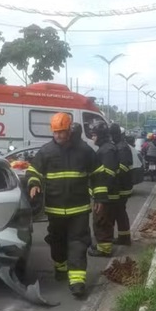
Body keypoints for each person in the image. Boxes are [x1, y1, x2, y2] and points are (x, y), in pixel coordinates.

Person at [26, 113, 98, 297]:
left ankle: (77, 281)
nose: (59, 135)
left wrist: (100, 197)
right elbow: (33, 170)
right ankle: (60, 267)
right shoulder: (46, 152)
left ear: (69, 129)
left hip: (79, 208)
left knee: (78, 243)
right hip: (55, 209)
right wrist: (34, 183)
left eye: (62, 132)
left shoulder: (84, 151)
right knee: (57, 242)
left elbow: (98, 173)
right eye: (56, 132)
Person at [88, 122, 119, 257]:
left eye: (94, 135)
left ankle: (104, 249)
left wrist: (101, 194)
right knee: (102, 220)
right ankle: (102, 245)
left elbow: (107, 174)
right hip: (105, 193)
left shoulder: (106, 150)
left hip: (105, 194)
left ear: (100, 136)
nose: (92, 138)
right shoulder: (105, 148)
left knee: (101, 221)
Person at [110, 123, 133, 246]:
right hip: (122, 185)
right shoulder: (119, 145)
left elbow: (124, 167)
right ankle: (123, 237)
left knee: (120, 212)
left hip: (122, 186)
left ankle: (124, 238)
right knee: (119, 212)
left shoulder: (122, 147)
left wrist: (113, 174)